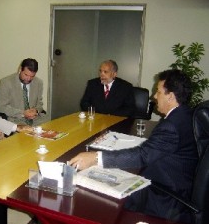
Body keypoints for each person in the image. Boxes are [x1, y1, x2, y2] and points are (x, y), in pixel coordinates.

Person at [70, 69, 198, 223]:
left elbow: (143, 156)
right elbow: (155, 149)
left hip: (164, 195)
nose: (154, 96)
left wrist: (96, 157)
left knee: (98, 198)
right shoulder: (186, 115)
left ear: (170, 96)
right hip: (174, 182)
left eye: (158, 92)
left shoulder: (171, 125)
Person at [0, 58, 46, 126]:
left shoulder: (38, 83)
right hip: (16, 120)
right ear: (20, 69)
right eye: (26, 75)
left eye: (32, 76)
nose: (28, 79)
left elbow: (39, 104)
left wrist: (36, 111)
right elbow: (2, 107)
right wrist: (23, 113)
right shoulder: (6, 82)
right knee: (27, 135)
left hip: (36, 120)